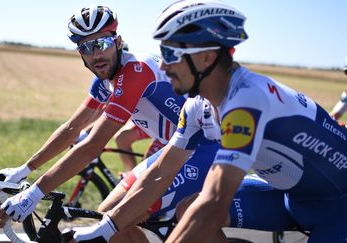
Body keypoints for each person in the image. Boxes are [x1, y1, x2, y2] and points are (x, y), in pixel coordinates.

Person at [71, 1, 347, 243]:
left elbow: (214, 204)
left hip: (338, 208)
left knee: (203, 212)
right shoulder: (196, 106)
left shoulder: (247, 100)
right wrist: (106, 229)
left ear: (206, 58)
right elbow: (159, 174)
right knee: (188, 208)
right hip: (290, 199)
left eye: (170, 55)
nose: (163, 67)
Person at [0, 6, 220, 241]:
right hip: (177, 149)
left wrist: (32, 195)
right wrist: (23, 170)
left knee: (119, 218)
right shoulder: (104, 82)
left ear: (118, 42)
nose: (96, 55)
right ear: (80, 54)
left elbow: (93, 145)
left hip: (205, 149)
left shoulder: (136, 71)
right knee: (106, 215)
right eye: (86, 48)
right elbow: (72, 128)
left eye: (101, 44)